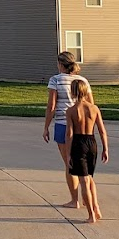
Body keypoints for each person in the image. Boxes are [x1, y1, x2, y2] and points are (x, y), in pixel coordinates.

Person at [43, 51, 93, 208]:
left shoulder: (55, 80)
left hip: (63, 124)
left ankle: (74, 200)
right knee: (84, 165)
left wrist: (46, 127)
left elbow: (51, 106)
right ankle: (88, 198)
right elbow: (91, 105)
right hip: (82, 126)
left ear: (60, 64)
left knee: (69, 163)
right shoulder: (82, 80)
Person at [64, 78, 108, 223]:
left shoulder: (71, 111)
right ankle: (96, 207)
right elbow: (102, 131)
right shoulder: (94, 108)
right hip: (92, 142)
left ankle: (91, 215)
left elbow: (69, 134)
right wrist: (105, 149)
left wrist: (68, 153)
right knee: (89, 178)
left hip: (78, 143)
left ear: (73, 92)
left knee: (83, 181)